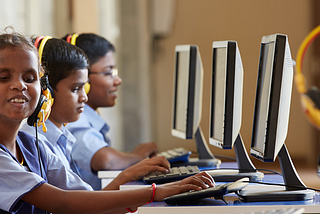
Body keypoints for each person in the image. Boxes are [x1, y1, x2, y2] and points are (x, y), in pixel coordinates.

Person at [0, 27, 215, 214]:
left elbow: (88, 202)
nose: (20, 85)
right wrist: (154, 193)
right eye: (4, 77)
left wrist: (137, 180)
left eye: (30, 78)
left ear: (43, 91)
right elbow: (63, 203)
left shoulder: (35, 147)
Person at [20, 36, 170, 190]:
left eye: (84, 88)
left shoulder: (60, 138)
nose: (84, 97)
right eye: (75, 89)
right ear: (47, 93)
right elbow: (76, 205)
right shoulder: (35, 142)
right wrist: (130, 176)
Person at [64, 33, 159, 189]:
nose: (118, 80)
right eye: (108, 73)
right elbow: (104, 160)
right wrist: (137, 155)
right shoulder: (73, 118)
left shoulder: (86, 117)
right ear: (81, 75)